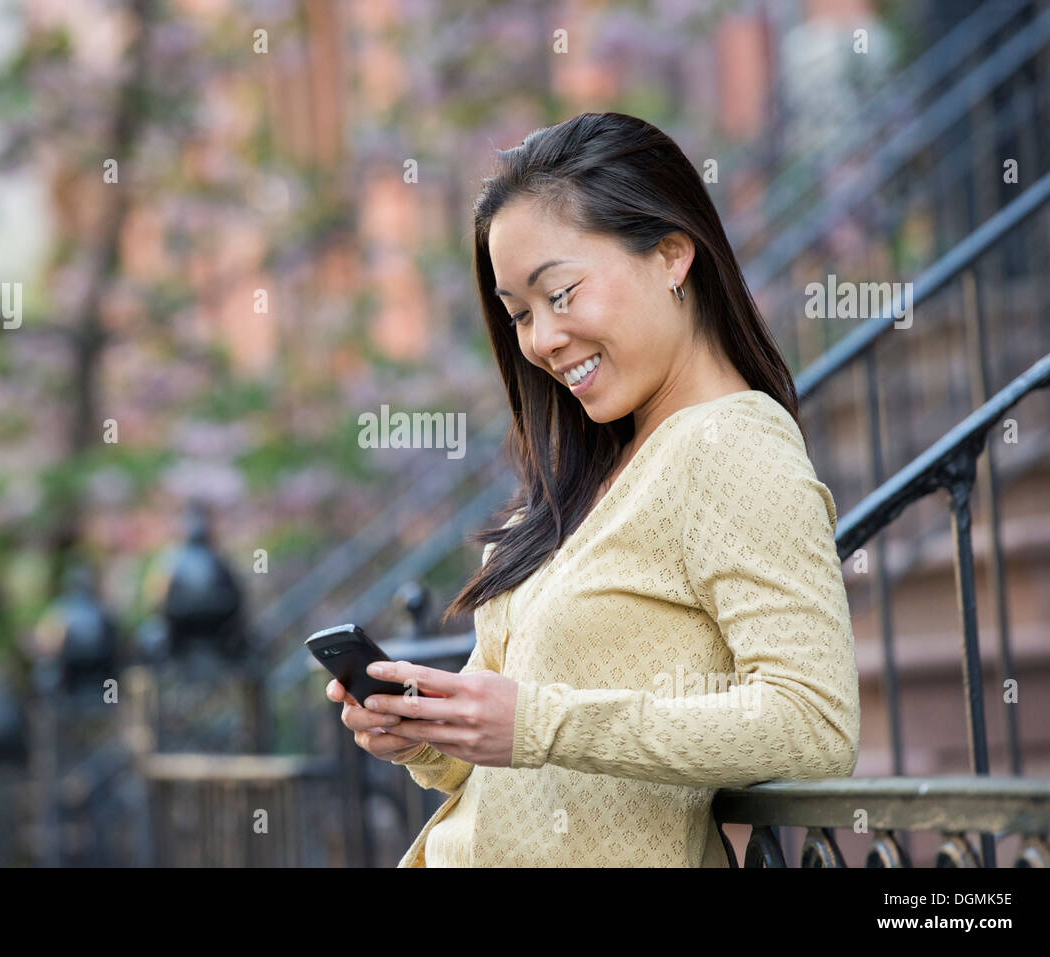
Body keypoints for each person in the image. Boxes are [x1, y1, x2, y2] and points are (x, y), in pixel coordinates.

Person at [326, 112, 860, 867]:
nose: (541, 339)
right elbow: (502, 758)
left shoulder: (731, 445)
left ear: (673, 255)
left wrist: (539, 722)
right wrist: (424, 733)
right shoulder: (584, 475)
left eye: (561, 293)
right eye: (518, 313)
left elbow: (814, 726)